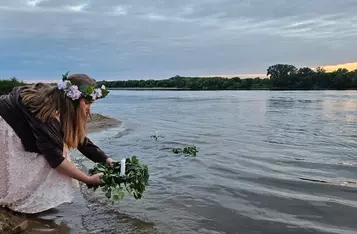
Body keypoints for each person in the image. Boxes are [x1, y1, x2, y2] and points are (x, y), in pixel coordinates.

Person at [0, 73, 114, 214]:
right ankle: (27, 199)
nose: (89, 108)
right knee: (54, 158)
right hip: (7, 128)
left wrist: (106, 160)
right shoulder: (47, 115)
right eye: (88, 102)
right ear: (73, 100)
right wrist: (88, 179)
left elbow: (79, 139)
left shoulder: (60, 103)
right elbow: (55, 159)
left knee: (57, 151)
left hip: (19, 126)